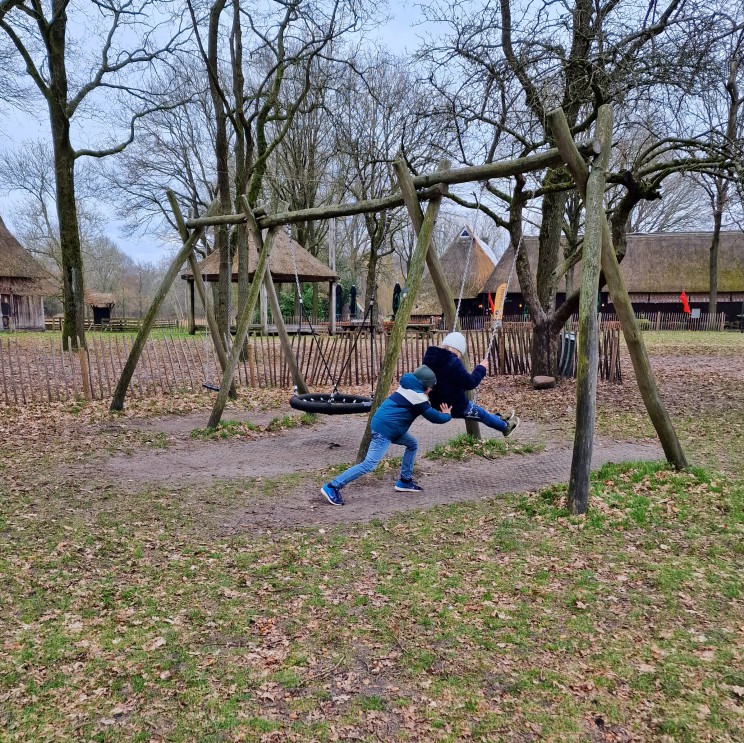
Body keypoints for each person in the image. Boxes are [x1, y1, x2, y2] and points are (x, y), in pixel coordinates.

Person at [321, 365, 452, 506]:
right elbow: (434, 418)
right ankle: (332, 486)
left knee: (412, 444)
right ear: (424, 385)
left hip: (389, 426)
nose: (431, 390)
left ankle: (405, 481)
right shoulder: (417, 397)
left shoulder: (407, 388)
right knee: (369, 464)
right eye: (430, 387)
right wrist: (447, 415)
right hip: (385, 429)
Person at [422, 331, 520, 437]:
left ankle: (499, 418)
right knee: (481, 414)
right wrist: (481, 368)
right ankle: (505, 427)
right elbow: (470, 383)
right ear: (458, 350)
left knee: (480, 412)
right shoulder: (453, 362)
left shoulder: (430, 357)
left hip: (437, 403)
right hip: (454, 406)